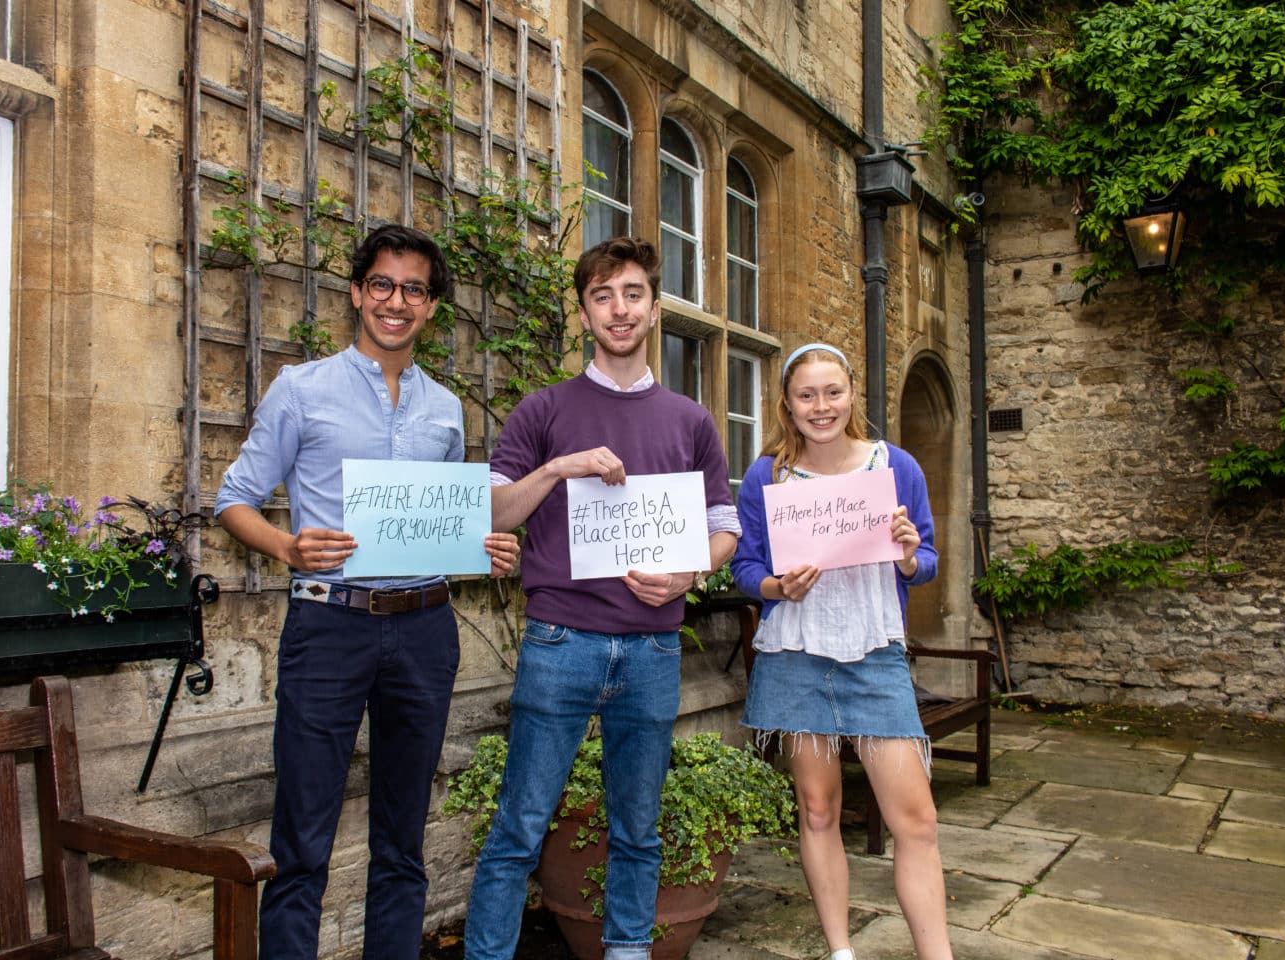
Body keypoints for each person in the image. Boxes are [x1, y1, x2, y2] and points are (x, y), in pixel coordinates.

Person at [214, 224, 520, 960]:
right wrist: (286, 545)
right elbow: (234, 499)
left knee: (402, 836)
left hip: (423, 630)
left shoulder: (447, 409)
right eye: (382, 284)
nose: (396, 301)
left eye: (413, 289)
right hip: (329, 626)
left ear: (431, 308)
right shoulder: (302, 388)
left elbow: (443, 518)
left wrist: (484, 544)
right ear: (357, 294)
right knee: (303, 834)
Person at [462, 236, 741, 960]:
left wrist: (689, 574)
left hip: (652, 649)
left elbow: (723, 527)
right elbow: (494, 514)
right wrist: (558, 467)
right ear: (585, 313)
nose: (619, 309)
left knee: (637, 829)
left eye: (633, 294)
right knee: (520, 826)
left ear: (654, 309)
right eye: (602, 296)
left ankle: (625, 953)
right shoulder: (544, 410)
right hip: (561, 642)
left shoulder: (691, 420)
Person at [730, 343, 951, 960]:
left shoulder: (895, 466)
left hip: (874, 650)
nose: (821, 406)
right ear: (788, 404)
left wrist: (908, 557)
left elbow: (926, 560)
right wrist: (776, 587)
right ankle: (840, 951)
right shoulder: (767, 474)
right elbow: (746, 568)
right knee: (819, 811)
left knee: (916, 821)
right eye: (807, 395)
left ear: (853, 395)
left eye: (833, 392)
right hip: (796, 652)